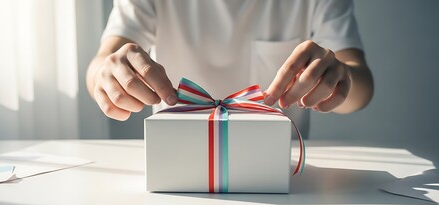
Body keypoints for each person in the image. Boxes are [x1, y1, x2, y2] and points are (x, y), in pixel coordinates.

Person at [86, 0, 373, 138]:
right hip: (176, 167)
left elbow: (360, 85)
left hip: (281, 174)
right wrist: (105, 74)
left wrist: (342, 77)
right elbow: (104, 61)